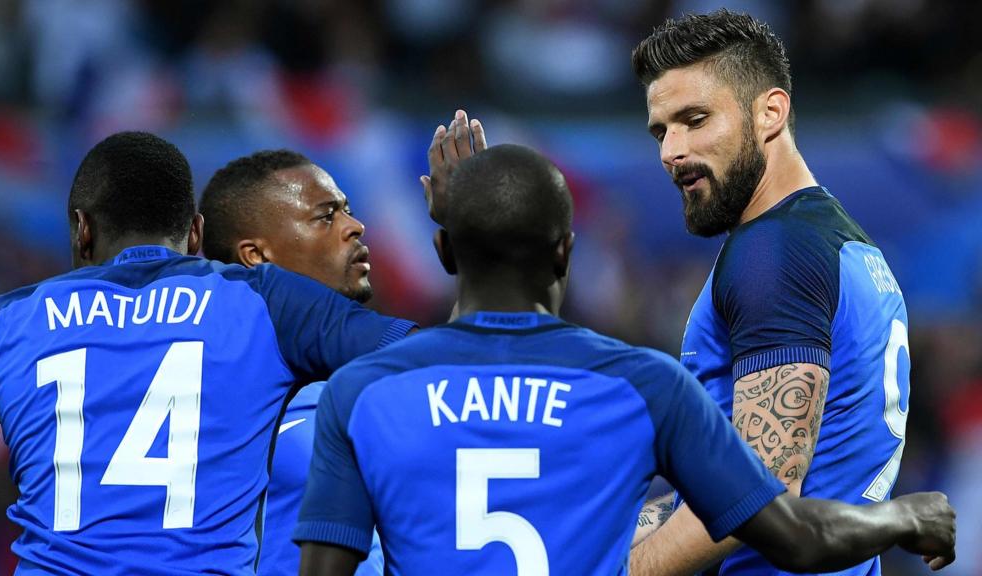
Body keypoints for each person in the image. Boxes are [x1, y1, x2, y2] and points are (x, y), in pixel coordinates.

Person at [292, 144, 955, 575]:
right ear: (566, 253)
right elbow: (797, 537)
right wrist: (902, 515)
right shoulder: (644, 386)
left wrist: (464, 221)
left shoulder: (364, 393)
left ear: (441, 254)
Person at [0, 132, 415, 575]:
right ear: (195, 233)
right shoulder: (261, 302)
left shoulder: (4, 322)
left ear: (82, 230)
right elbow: (430, 357)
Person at [628, 9, 923, 576]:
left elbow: (762, 489)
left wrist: (620, 569)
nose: (671, 151)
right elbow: (731, 487)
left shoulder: (773, 255)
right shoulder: (838, 241)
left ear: (770, 111)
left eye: (694, 120)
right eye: (661, 131)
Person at [199, 149, 385, 576]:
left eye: (349, 211)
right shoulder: (221, 396)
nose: (355, 227)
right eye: (326, 217)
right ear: (256, 256)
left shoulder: (366, 379)